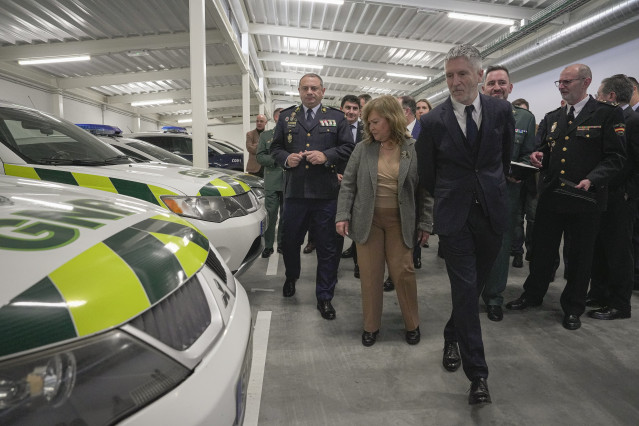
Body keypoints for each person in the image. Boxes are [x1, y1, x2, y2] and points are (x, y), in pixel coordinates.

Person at [415, 44, 514, 405]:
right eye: (449, 76)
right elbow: (428, 174)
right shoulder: (431, 121)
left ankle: (451, 334)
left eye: (462, 74)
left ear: (478, 75)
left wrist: (490, 189)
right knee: (465, 290)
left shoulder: (501, 111)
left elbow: (502, 161)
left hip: (491, 213)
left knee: (473, 289)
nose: (455, 82)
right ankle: (479, 376)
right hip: (454, 218)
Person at [505, 64, 626, 331]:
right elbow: (547, 151)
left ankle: (573, 307)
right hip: (552, 197)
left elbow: (616, 158)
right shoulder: (554, 117)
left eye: (567, 82)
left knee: (580, 256)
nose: (561, 86)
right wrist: (539, 156)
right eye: (559, 82)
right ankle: (533, 294)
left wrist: (593, 178)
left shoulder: (607, 114)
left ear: (586, 82)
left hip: (585, 199)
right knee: (541, 251)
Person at [336, 95, 433, 347]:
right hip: (368, 221)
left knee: (403, 273)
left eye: (375, 122)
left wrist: (425, 223)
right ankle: (371, 326)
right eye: (368, 123)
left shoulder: (413, 149)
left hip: (401, 222)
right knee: (370, 275)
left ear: (391, 119)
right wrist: (342, 215)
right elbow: (348, 184)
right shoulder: (363, 149)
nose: (370, 127)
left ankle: (412, 323)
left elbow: (425, 190)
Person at [270, 73, 355, 320]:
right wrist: (286, 158)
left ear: (323, 91)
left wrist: (326, 155)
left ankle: (325, 296)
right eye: (305, 88)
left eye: (314, 88)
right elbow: (275, 148)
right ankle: (291, 276)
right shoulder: (287, 117)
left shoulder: (336, 117)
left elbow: (348, 147)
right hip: (295, 193)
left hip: (325, 194)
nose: (310, 92)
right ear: (298, 90)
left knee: (328, 247)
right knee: (290, 242)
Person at [480, 65, 536, 322]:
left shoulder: (524, 118)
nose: (497, 88)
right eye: (491, 83)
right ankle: (470, 293)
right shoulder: (471, 114)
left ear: (510, 88)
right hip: (476, 190)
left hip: (507, 191)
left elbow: (527, 152)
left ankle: (494, 297)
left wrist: (523, 167)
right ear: (483, 88)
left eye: (502, 83)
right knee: (472, 245)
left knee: (501, 246)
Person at [586, 74, 639, 320]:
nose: (596, 99)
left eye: (598, 95)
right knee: (599, 247)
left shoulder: (633, 121)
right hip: (603, 194)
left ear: (611, 97)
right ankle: (598, 293)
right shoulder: (611, 119)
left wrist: (630, 193)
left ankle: (620, 304)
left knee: (619, 252)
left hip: (621, 197)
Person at [337, 95, 364, 278]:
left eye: (355, 108)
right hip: (337, 181)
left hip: (362, 184)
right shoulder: (333, 129)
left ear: (359, 112)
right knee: (338, 223)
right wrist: (334, 173)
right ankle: (333, 264)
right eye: (348, 108)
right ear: (341, 109)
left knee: (359, 224)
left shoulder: (367, 130)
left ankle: (359, 263)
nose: (351, 112)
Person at [256, 108, 284, 258]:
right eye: (281, 115)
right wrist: (277, 160)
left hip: (288, 181)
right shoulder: (266, 136)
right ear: (275, 118)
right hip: (272, 180)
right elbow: (260, 156)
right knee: (271, 214)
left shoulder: (293, 136)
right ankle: (268, 246)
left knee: (285, 216)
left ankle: (282, 244)